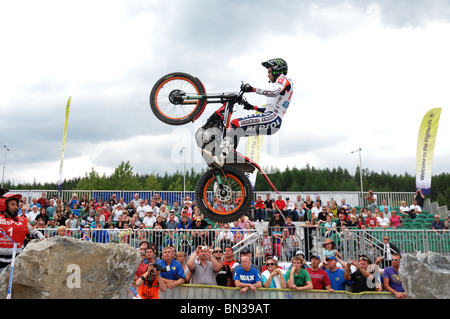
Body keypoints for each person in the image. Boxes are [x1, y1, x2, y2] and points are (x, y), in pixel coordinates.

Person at [208, 58, 294, 166]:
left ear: (277, 70)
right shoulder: (282, 84)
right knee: (237, 130)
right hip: (273, 120)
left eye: (269, 71)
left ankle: (224, 155)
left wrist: (252, 89)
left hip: (272, 119)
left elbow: (274, 92)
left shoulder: (283, 80)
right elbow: (269, 109)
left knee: (235, 123)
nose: (268, 75)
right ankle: (228, 162)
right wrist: (251, 107)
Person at [0, 191, 44, 270]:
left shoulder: (23, 220)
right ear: (4, 205)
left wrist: (44, 241)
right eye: (12, 204)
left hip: (16, 261)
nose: (16, 207)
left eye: (16, 204)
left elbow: (35, 233)